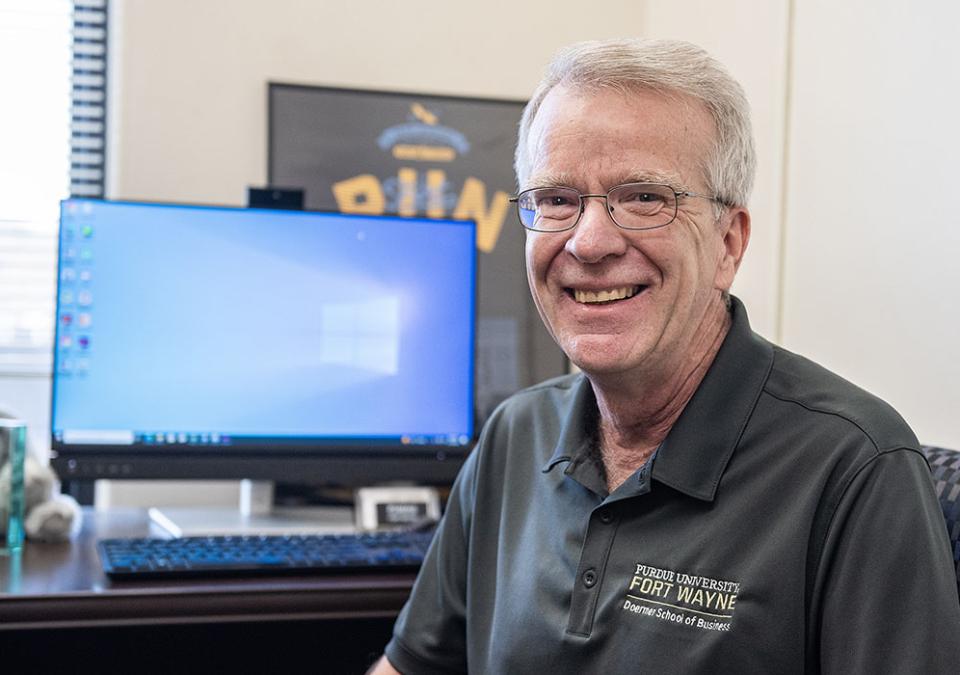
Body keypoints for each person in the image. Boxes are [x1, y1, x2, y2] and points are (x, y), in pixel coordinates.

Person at [370, 38, 960, 674]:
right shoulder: (516, 435)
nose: (589, 242)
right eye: (558, 200)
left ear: (728, 244)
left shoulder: (854, 467)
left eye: (645, 197)